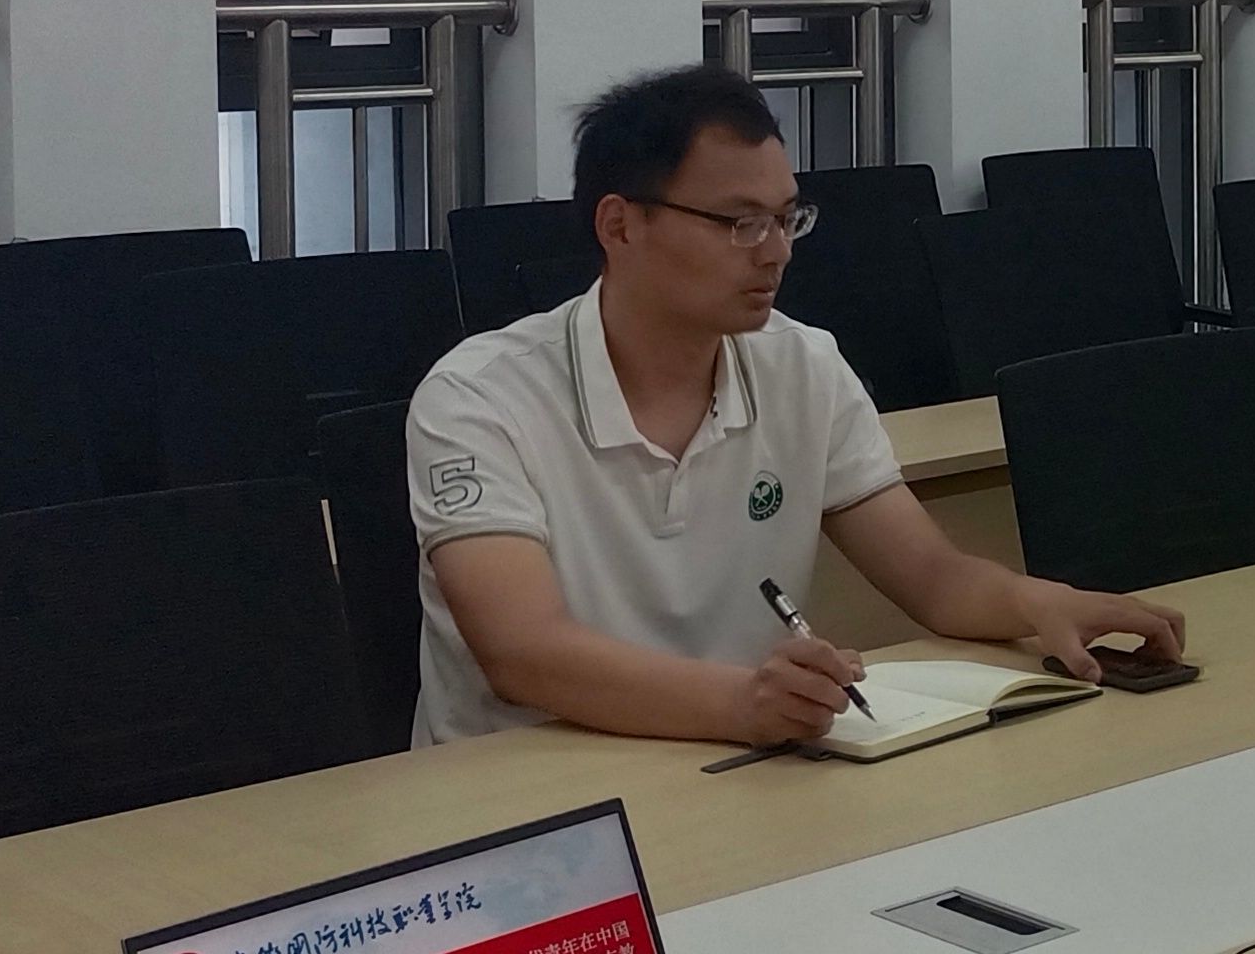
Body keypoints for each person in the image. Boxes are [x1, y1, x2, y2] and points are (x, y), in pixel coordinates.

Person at [406, 65, 1187, 748]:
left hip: (733, 761)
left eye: (786, 219)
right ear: (621, 224)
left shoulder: (802, 364)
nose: (776, 251)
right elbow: (523, 653)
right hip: (527, 794)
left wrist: (1039, 601)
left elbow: (932, 578)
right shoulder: (480, 397)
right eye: (739, 223)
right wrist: (740, 703)